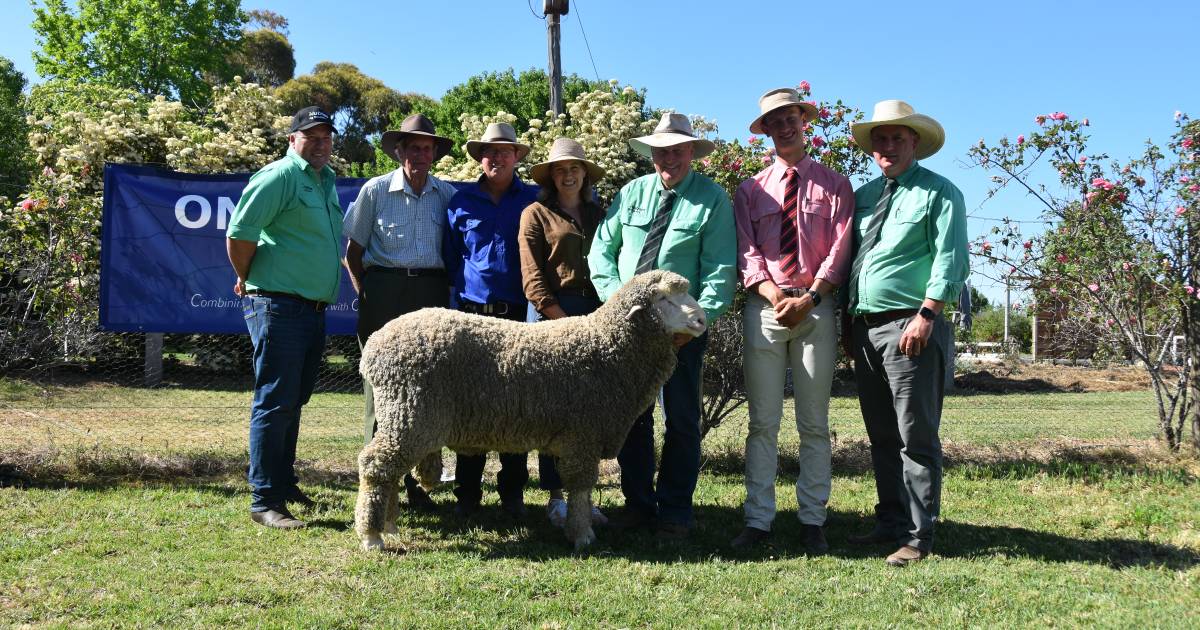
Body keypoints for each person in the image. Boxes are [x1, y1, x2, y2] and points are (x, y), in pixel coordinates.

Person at [588, 112, 737, 540]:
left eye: (675, 149)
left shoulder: (711, 200)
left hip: (680, 335)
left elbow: (721, 269)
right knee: (633, 417)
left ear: (691, 151)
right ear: (651, 153)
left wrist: (691, 325)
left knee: (683, 419)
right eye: (660, 150)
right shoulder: (631, 193)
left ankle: (674, 511)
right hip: (630, 331)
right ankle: (637, 504)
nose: (667, 157)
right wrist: (619, 303)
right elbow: (602, 251)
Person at [844, 100, 969, 566]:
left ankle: (919, 536)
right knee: (880, 434)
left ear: (915, 142)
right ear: (872, 147)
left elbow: (950, 259)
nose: (889, 145)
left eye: (898, 137)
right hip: (864, 327)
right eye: (881, 138)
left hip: (911, 325)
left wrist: (928, 313)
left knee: (915, 435)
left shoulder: (940, 193)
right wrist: (845, 322)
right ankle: (890, 521)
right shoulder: (863, 196)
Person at [730, 88, 855, 553]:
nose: (784, 126)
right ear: (765, 130)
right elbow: (747, 250)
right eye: (774, 121)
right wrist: (773, 293)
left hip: (815, 310)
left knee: (814, 422)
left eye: (791, 117)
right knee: (762, 422)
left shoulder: (835, 185)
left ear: (805, 121)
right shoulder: (750, 190)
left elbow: (841, 248)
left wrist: (811, 296)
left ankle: (812, 521)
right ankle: (758, 520)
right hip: (765, 310)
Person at [226, 106, 342, 529]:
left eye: (327, 136)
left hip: (310, 309)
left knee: (293, 400)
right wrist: (247, 277)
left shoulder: (324, 181)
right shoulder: (279, 176)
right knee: (274, 402)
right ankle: (264, 501)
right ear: (292, 139)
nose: (321, 143)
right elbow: (240, 234)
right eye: (311, 135)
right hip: (278, 306)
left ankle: (283, 482)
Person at [342, 113, 457, 510]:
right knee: (382, 390)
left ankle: (418, 487)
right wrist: (368, 294)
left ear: (434, 154)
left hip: (430, 289)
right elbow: (352, 254)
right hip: (384, 289)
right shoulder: (375, 190)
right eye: (413, 148)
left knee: (428, 391)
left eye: (427, 148)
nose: (421, 154)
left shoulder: (447, 195)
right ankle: (378, 491)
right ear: (399, 151)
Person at [443, 122, 538, 518]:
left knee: (515, 406)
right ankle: (467, 494)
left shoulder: (534, 200)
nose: (495, 158)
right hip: (472, 318)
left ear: (517, 157)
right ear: (479, 157)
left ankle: (513, 494)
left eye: (504, 151)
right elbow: (451, 261)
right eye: (488, 151)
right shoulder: (460, 201)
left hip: (519, 318)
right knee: (472, 407)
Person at [517, 137, 610, 528]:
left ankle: (582, 497)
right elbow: (533, 277)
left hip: (598, 310)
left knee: (588, 413)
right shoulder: (535, 214)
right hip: (555, 314)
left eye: (574, 168)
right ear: (551, 176)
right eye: (560, 169)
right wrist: (560, 321)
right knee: (554, 411)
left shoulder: (600, 213)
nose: (568, 174)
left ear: (584, 174)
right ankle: (555, 498)